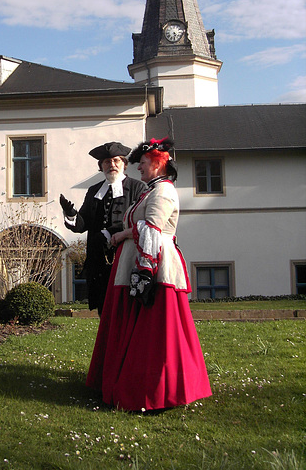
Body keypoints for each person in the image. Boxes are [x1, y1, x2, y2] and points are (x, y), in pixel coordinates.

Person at [86, 138, 212, 411]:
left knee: (153, 330)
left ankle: (153, 389)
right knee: (130, 323)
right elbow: (141, 224)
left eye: (142, 164)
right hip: (134, 259)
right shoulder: (150, 191)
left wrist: (135, 257)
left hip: (154, 265)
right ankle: (123, 379)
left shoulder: (163, 192)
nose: (138, 169)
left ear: (156, 163)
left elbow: (152, 230)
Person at [60, 142, 146, 315]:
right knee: (104, 306)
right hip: (99, 259)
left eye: (116, 161)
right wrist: (71, 213)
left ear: (124, 164)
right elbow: (82, 225)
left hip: (126, 254)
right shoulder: (94, 190)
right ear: (101, 166)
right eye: (107, 162)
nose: (112, 165)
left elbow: (139, 220)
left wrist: (108, 233)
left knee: (127, 306)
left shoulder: (138, 188)